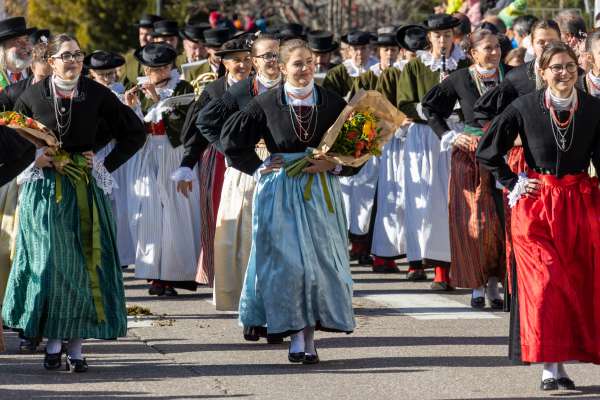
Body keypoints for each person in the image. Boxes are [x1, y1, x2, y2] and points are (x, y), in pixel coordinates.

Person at [2, 34, 145, 372]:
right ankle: (52, 339)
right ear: (51, 61)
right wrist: (34, 157)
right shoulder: (32, 94)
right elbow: (12, 135)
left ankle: (76, 345)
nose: (73, 61)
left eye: (78, 55)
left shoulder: (97, 94)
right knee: (50, 263)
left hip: (82, 187)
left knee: (85, 264)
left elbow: (133, 131)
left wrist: (101, 163)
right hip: (44, 192)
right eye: (66, 56)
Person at [221, 39, 356, 364]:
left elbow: (360, 141)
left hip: (320, 192)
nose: (306, 68)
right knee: (290, 267)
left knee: (319, 267)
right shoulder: (265, 103)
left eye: (310, 62)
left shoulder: (331, 101)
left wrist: (334, 164)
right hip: (280, 191)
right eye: (297, 63)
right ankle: (296, 337)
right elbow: (230, 140)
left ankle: (307, 338)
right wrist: (259, 165)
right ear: (282, 68)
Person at [476, 41, 600, 391]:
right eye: (556, 67)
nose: (564, 72)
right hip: (537, 207)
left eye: (570, 66)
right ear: (541, 72)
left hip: (579, 205)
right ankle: (549, 366)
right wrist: (513, 181)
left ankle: (562, 365)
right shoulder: (524, 107)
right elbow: (489, 151)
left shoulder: (592, 108)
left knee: (574, 284)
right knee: (546, 284)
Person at [182, 36, 281, 344]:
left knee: (280, 244)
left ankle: (280, 312)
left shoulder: (290, 87)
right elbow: (204, 122)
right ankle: (252, 313)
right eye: (265, 56)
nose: (270, 61)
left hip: (283, 168)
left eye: (276, 55)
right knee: (245, 241)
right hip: (248, 168)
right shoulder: (243, 90)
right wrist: (232, 149)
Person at [422, 28, 507, 308]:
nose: (494, 52)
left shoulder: (513, 76)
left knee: (501, 222)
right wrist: (450, 135)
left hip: (507, 155)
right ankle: (476, 282)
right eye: (488, 48)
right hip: (470, 157)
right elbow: (430, 107)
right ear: (473, 53)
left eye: (497, 47)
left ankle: (497, 280)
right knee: (473, 222)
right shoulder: (459, 79)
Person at [396, 13, 469, 289]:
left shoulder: (463, 63)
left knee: (451, 197)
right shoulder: (415, 67)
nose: (443, 41)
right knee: (420, 197)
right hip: (423, 135)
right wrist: (431, 112)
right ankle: (419, 260)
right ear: (429, 38)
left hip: (454, 133)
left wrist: (456, 112)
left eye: (448, 35)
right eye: (438, 36)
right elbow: (403, 102)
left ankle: (448, 265)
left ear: (454, 37)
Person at [122, 43, 198, 297]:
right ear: (146, 68)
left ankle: (175, 273)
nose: (160, 72)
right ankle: (153, 273)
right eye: (154, 68)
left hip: (173, 154)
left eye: (165, 67)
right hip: (149, 154)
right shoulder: (140, 88)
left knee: (175, 213)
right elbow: (135, 129)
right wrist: (132, 107)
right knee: (149, 213)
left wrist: (158, 100)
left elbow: (184, 126)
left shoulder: (183, 88)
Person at [177, 38, 252, 288]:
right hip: (218, 158)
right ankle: (217, 271)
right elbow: (197, 132)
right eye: (236, 60)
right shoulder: (214, 91)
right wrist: (187, 164)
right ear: (224, 63)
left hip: (253, 158)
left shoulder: (260, 88)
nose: (242, 64)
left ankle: (250, 269)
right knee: (218, 214)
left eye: (246, 59)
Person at [85, 50, 141, 270]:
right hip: (98, 151)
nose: (108, 78)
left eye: (111, 73)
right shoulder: (89, 93)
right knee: (101, 202)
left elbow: (135, 126)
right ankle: (102, 252)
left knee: (123, 203)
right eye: (103, 75)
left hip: (119, 152)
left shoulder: (122, 91)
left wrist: (131, 106)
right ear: (93, 74)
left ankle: (123, 255)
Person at [322, 30, 374, 98]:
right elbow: (328, 99)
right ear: (349, 51)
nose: (359, 53)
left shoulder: (378, 71)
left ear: (369, 49)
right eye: (355, 49)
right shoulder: (337, 74)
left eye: (363, 48)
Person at [122, 13, 164, 85]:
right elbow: (123, 85)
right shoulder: (130, 58)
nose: (143, 38)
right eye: (141, 34)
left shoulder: (166, 58)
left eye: (148, 34)